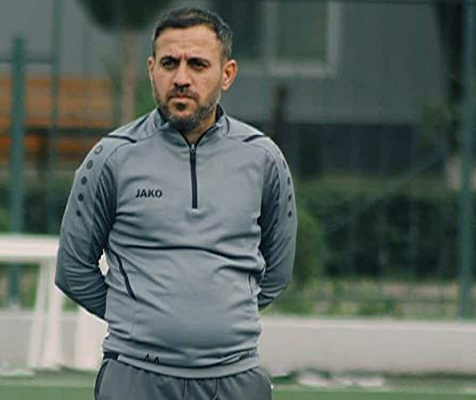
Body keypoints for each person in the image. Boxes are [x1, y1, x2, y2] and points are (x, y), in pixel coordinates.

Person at [55, 7, 297, 400]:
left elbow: (277, 272)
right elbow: (73, 270)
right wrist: (139, 319)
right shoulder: (111, 157)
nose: (181, 78)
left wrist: (221, 321)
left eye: (197, 64)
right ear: (152, 69)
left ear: (227, 74)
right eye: (169, 63)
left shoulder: (263, 159)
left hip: (236, 380)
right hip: (134, 378)